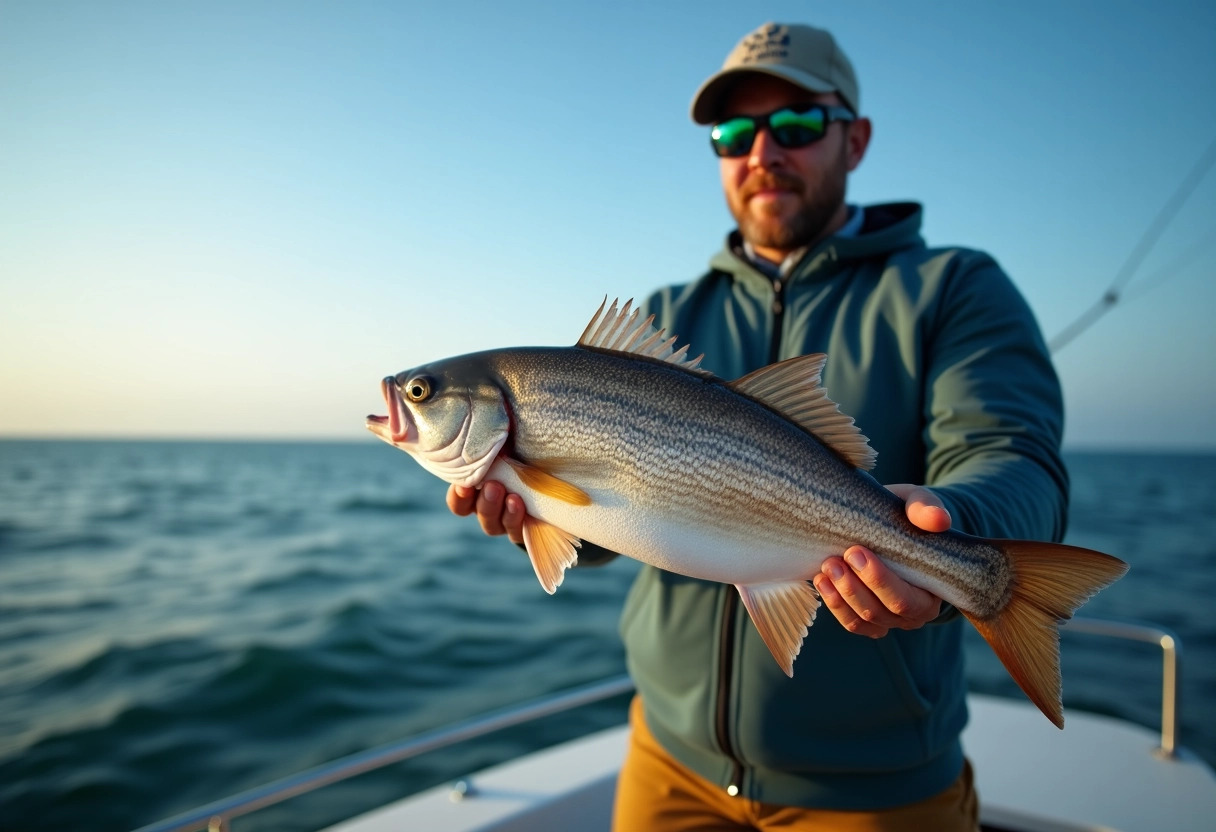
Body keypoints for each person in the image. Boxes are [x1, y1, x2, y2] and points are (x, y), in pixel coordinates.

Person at [448, 21, 1067, 832]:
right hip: (669, 760)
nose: (762, 152)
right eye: (734, 133)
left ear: (857, 138)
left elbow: (1013, 455)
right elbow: (623, 515)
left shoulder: (953, 288)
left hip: (874, 788)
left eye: (798, 124)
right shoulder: (666, 319)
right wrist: (543, 514)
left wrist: (955, 535)